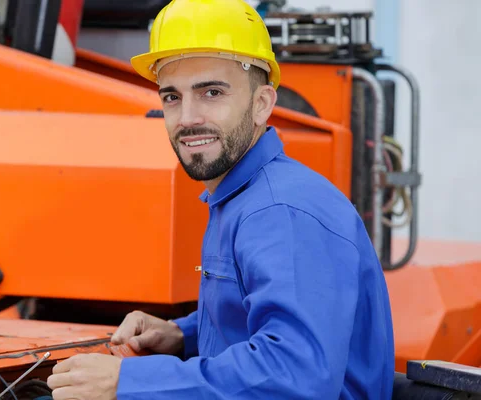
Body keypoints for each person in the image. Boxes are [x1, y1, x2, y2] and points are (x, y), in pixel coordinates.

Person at [46, 0, 395, 399]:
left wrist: (126, 383)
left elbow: (296, 375)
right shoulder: (240, 195)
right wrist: (183, 333)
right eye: (172, 97)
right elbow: (254, 322)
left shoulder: (281, 212)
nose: (188, 117)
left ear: (262, 103)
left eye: (211, 92)